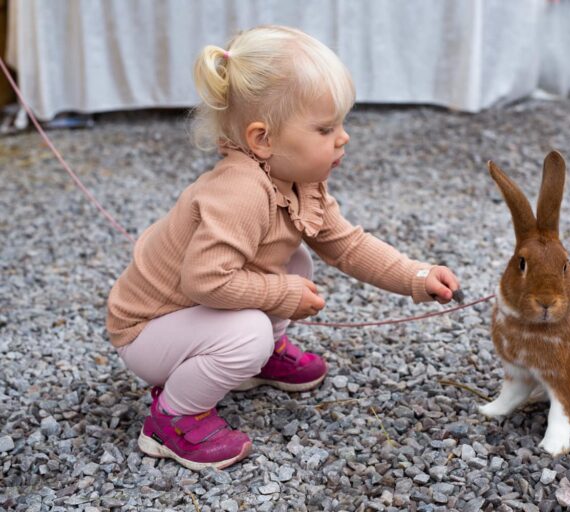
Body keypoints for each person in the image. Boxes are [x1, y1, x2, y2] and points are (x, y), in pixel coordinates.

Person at [106, 25, 461, 471]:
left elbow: (346, 245)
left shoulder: (297, 181)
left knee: (294, 256)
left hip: (188, 317)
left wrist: (416, 276)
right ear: (263, 140)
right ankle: (173, 418)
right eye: (325, 127)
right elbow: (205, 280)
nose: (343, 137)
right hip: (149, 328)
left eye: (342, 123)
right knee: (247, 331)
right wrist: (284, 295)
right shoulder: (239, 192)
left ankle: (260, 359)